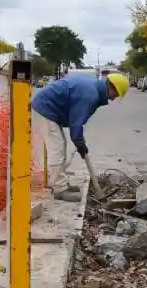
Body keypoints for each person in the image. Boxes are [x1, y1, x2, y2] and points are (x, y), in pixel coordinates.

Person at [32, 71, 129, 200]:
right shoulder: (90, 94)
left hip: (49, 109)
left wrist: (80, 143)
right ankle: (59, 189)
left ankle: (61, 183)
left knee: (61, 146)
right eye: (115, 95)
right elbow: (76, 123)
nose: (112, 99)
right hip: (45, 108)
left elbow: (76, 120)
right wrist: (80, 144)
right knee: (57, 148)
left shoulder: (92, 89)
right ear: (111, 87)